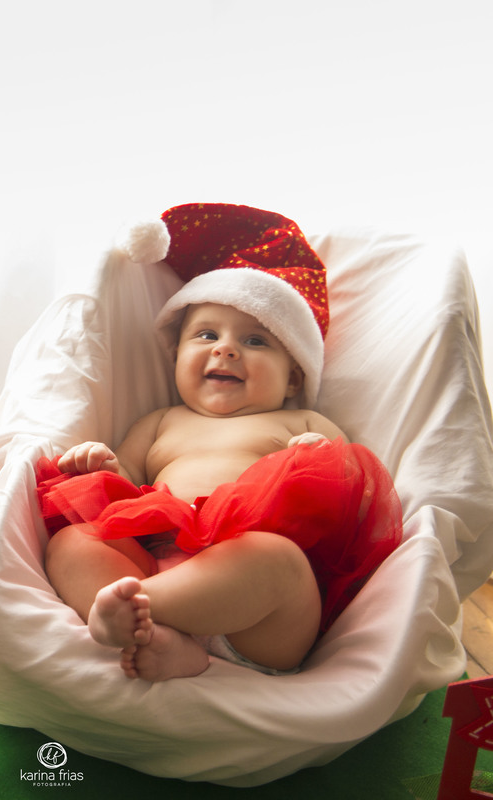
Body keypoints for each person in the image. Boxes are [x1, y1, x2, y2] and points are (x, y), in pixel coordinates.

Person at [39, 203, 402, 682]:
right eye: (207, 334)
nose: (225, 348)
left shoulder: (300, 420)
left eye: (255, 341)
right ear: (176, 357)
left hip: (255, 613)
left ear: (293, 378)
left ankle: (137, 611)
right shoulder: (161, 422)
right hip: (158, 562)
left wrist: (318, 457)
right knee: (72, 541)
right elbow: (119, 488)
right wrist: (100, 463)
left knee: (278, 560)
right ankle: (158, 634)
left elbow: (357, 501)